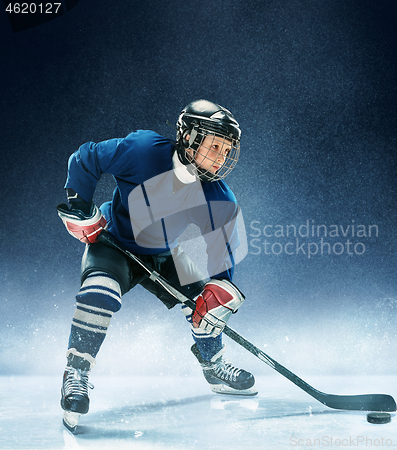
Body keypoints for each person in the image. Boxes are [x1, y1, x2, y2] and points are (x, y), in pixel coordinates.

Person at [56, 99, 256, 432]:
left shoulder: (220, 199)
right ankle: (76, 372)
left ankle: (213, 363)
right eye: (215, 145)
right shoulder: (142, 149)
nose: (222, 156)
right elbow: (87, 157)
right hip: (114, 242)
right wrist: (79, 206)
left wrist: (216, 293)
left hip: (165, 254)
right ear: (190, 137)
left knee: (202, 305)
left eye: (226, 149)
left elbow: (221, 256)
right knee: (99, 293)